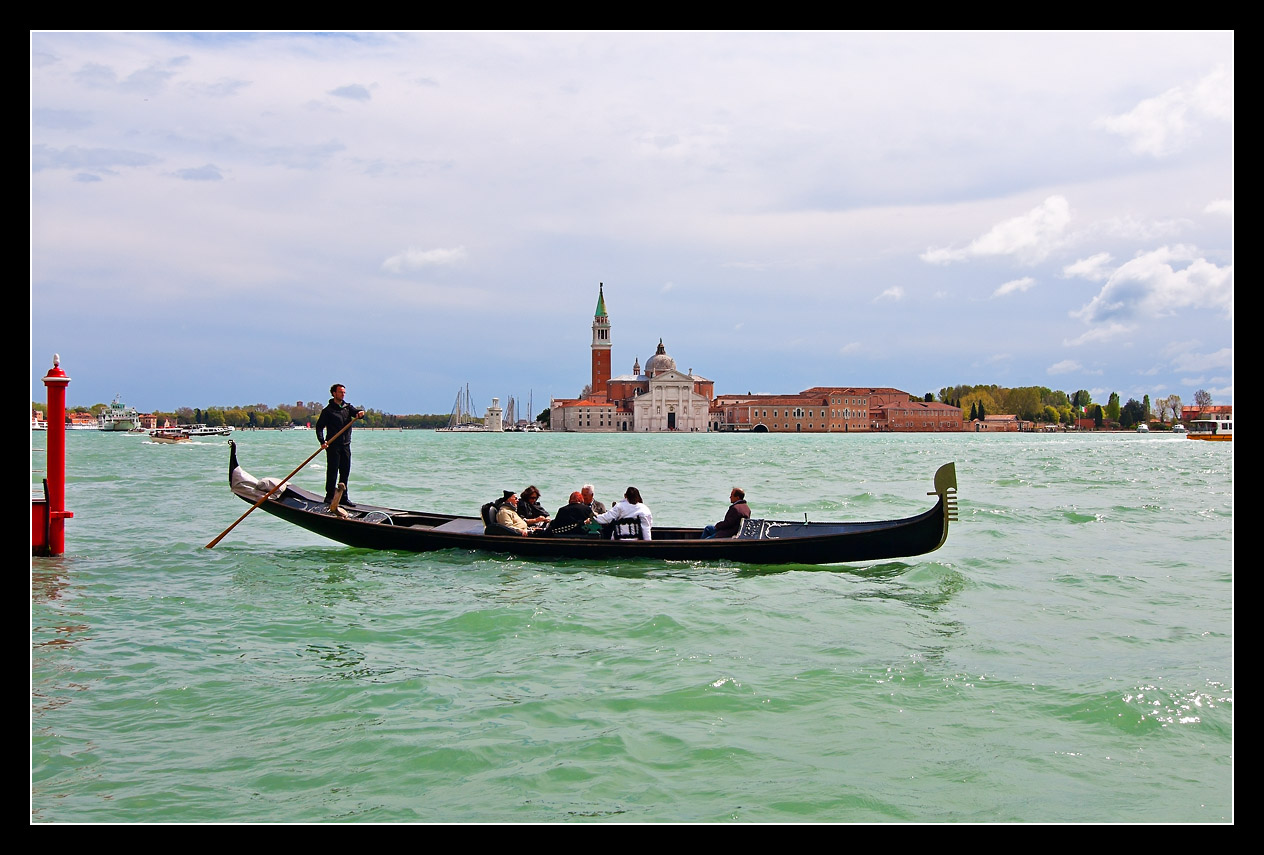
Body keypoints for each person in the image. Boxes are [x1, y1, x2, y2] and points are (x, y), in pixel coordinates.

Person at [315, 383, 365, 507]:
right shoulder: (328, 411)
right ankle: (330, 496)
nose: (343, 394)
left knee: (345, 471)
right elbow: (319, 427)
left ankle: (343, 497)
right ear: (334, 393)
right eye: (340, 392)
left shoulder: (347, 408)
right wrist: (322, 441)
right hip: (333, 445)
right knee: (332, 471)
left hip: (345, 445)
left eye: (344, 392)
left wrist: (360, 413)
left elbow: (357, 412)